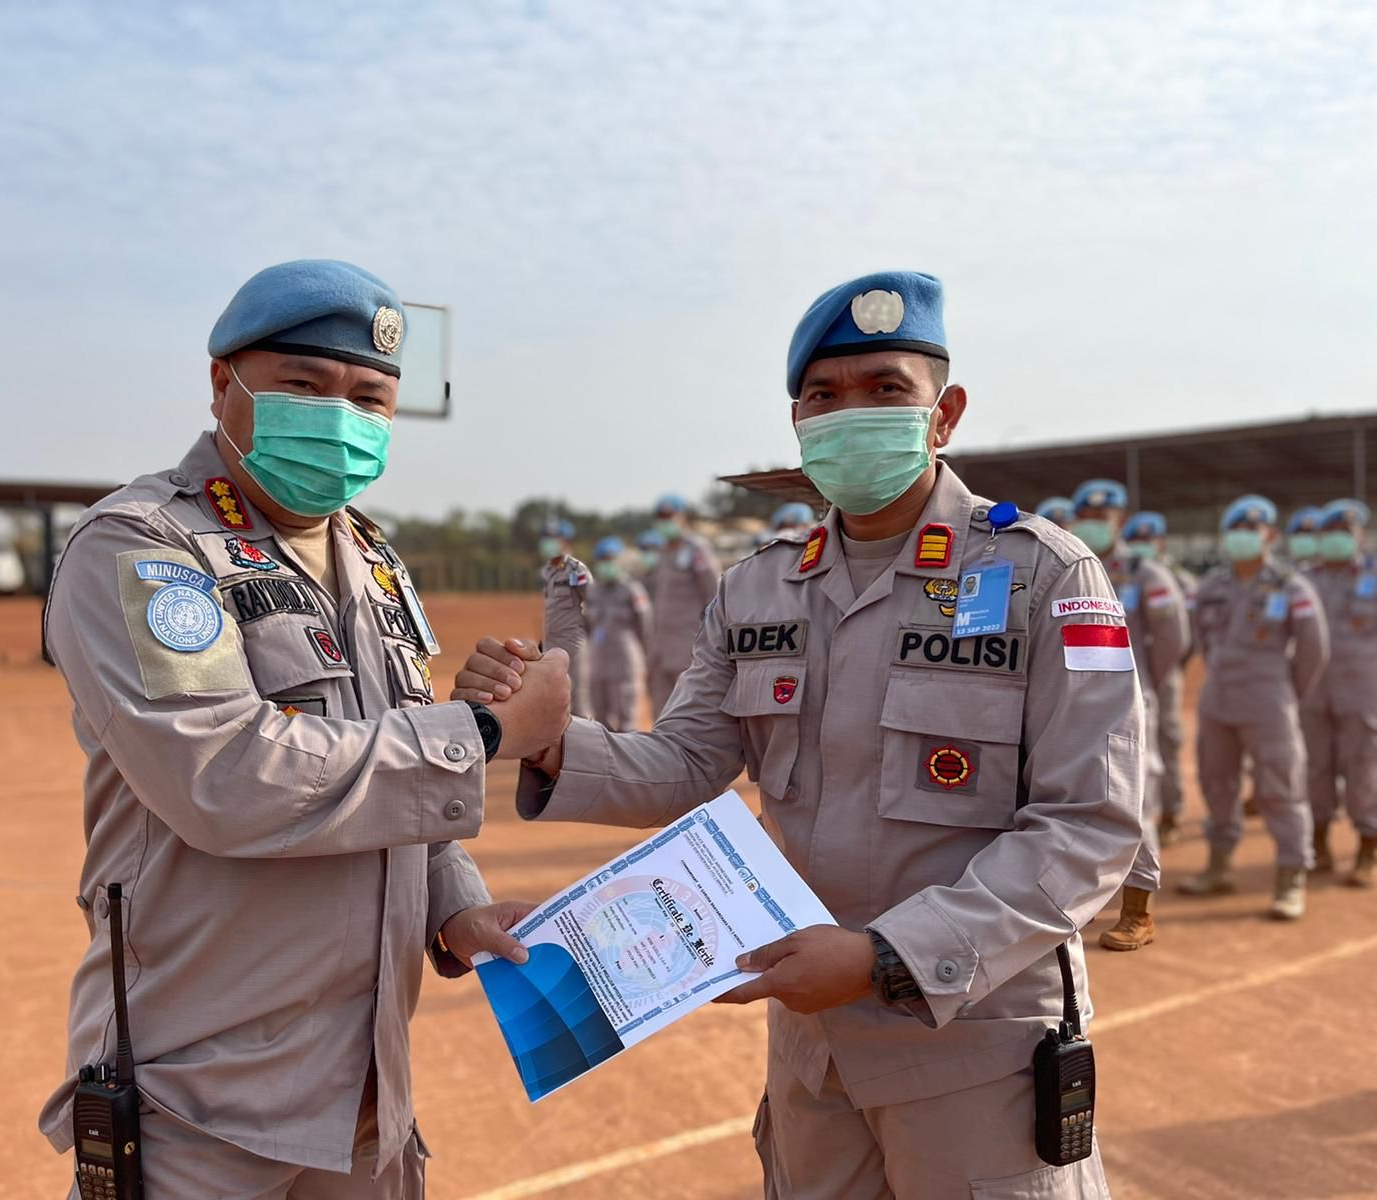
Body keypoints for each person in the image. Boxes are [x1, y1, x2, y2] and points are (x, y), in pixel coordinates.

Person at [456, 271, 1140, 1197]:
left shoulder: (1044, 575)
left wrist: (885, 956)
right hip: (814, 1048)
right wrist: (547, 742)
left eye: (886, 390)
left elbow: (1087, 825)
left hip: (975, 1044)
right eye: (824, 396)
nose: (851, 412)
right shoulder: (759, 587)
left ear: (945, 415)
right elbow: (688, 762)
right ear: (799, 424)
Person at [38, 259, 571, 1198]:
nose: (341, 418)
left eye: (370, 399)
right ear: (223, 384)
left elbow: (388, 763)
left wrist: (456, 901)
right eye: (305, 386)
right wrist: (482, 736)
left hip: (366, 1095)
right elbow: (224, 775)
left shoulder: (369, 558)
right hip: (200, 1102)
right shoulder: (145, 546)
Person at [1178, 495, 1328, 919]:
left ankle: (1291, 875)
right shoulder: (1212, 586)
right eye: (1236, 530)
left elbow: (1315, 649)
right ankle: (1219, 866)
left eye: (1252, 529)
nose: (1243, 537)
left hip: (1270, 699)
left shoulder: (1291, 586)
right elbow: (1198, 638)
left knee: (1280, 787)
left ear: (1271, 536)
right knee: (1216, 782)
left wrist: (1288, 692)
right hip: (1218, 698)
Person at [1071, 482, 1190, 950]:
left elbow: (1173, 640)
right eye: (1086, 514)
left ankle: (1138, 912)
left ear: (1121, 520)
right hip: (1074, 699)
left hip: (1131, 700)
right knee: (1071, 796)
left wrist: (1146, 687)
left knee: (1136, 798)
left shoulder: (1146, 573)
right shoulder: (1069, 562)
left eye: (1104, 516)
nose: (1094, 522)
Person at [1303, 500, 1377, 886]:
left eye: (1345, 533)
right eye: (1331, 533)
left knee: (1363, 765)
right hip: (1314, 688)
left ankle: (1368, 844)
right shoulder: (1304, 579)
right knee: (1316, 766)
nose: (1337, 540)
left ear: (1360, 536)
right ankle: (1319, 843)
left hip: (1364, 689)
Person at [1124, 510, 1195, 846]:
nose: (1141, 546)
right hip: (1139, 672)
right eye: (1136, 539)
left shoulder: (1173, 577)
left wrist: (1158, 670)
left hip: (1161, 671)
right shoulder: (1119, 573)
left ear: (1161, 542)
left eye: (1147, 540)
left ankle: (1170, 812)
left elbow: (1183, 633)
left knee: (1166, 741)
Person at [643, 493, 721, 716]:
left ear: (682, 518)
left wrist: (709, 641)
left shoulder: (696, 549)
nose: (664, 522)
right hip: (660, 649)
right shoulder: (662, 553)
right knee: (660, 714)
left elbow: (714, 595)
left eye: (669, 516)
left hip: (688, 648)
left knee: (686, 714)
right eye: (660, 517)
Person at [580, 535, 653, 731]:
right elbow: (586, 626)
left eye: (610, 559)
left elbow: (645, 627)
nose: (606, 564)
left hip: (625, 664)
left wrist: (646, 657)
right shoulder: (592, 591)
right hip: (598, 665)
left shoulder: (633, 590)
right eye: (602, 560)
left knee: (626, 719)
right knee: (600, 721)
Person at [538, 516, 593, 720]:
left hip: (574, 642)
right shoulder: (547, 572)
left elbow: (593, 605)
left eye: (553, 538)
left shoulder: (577, 570)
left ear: (566, 542)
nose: (548, 542)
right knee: (554, 699)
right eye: (545, 538)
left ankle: (590, 747)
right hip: (551, 643)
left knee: (579, 699)